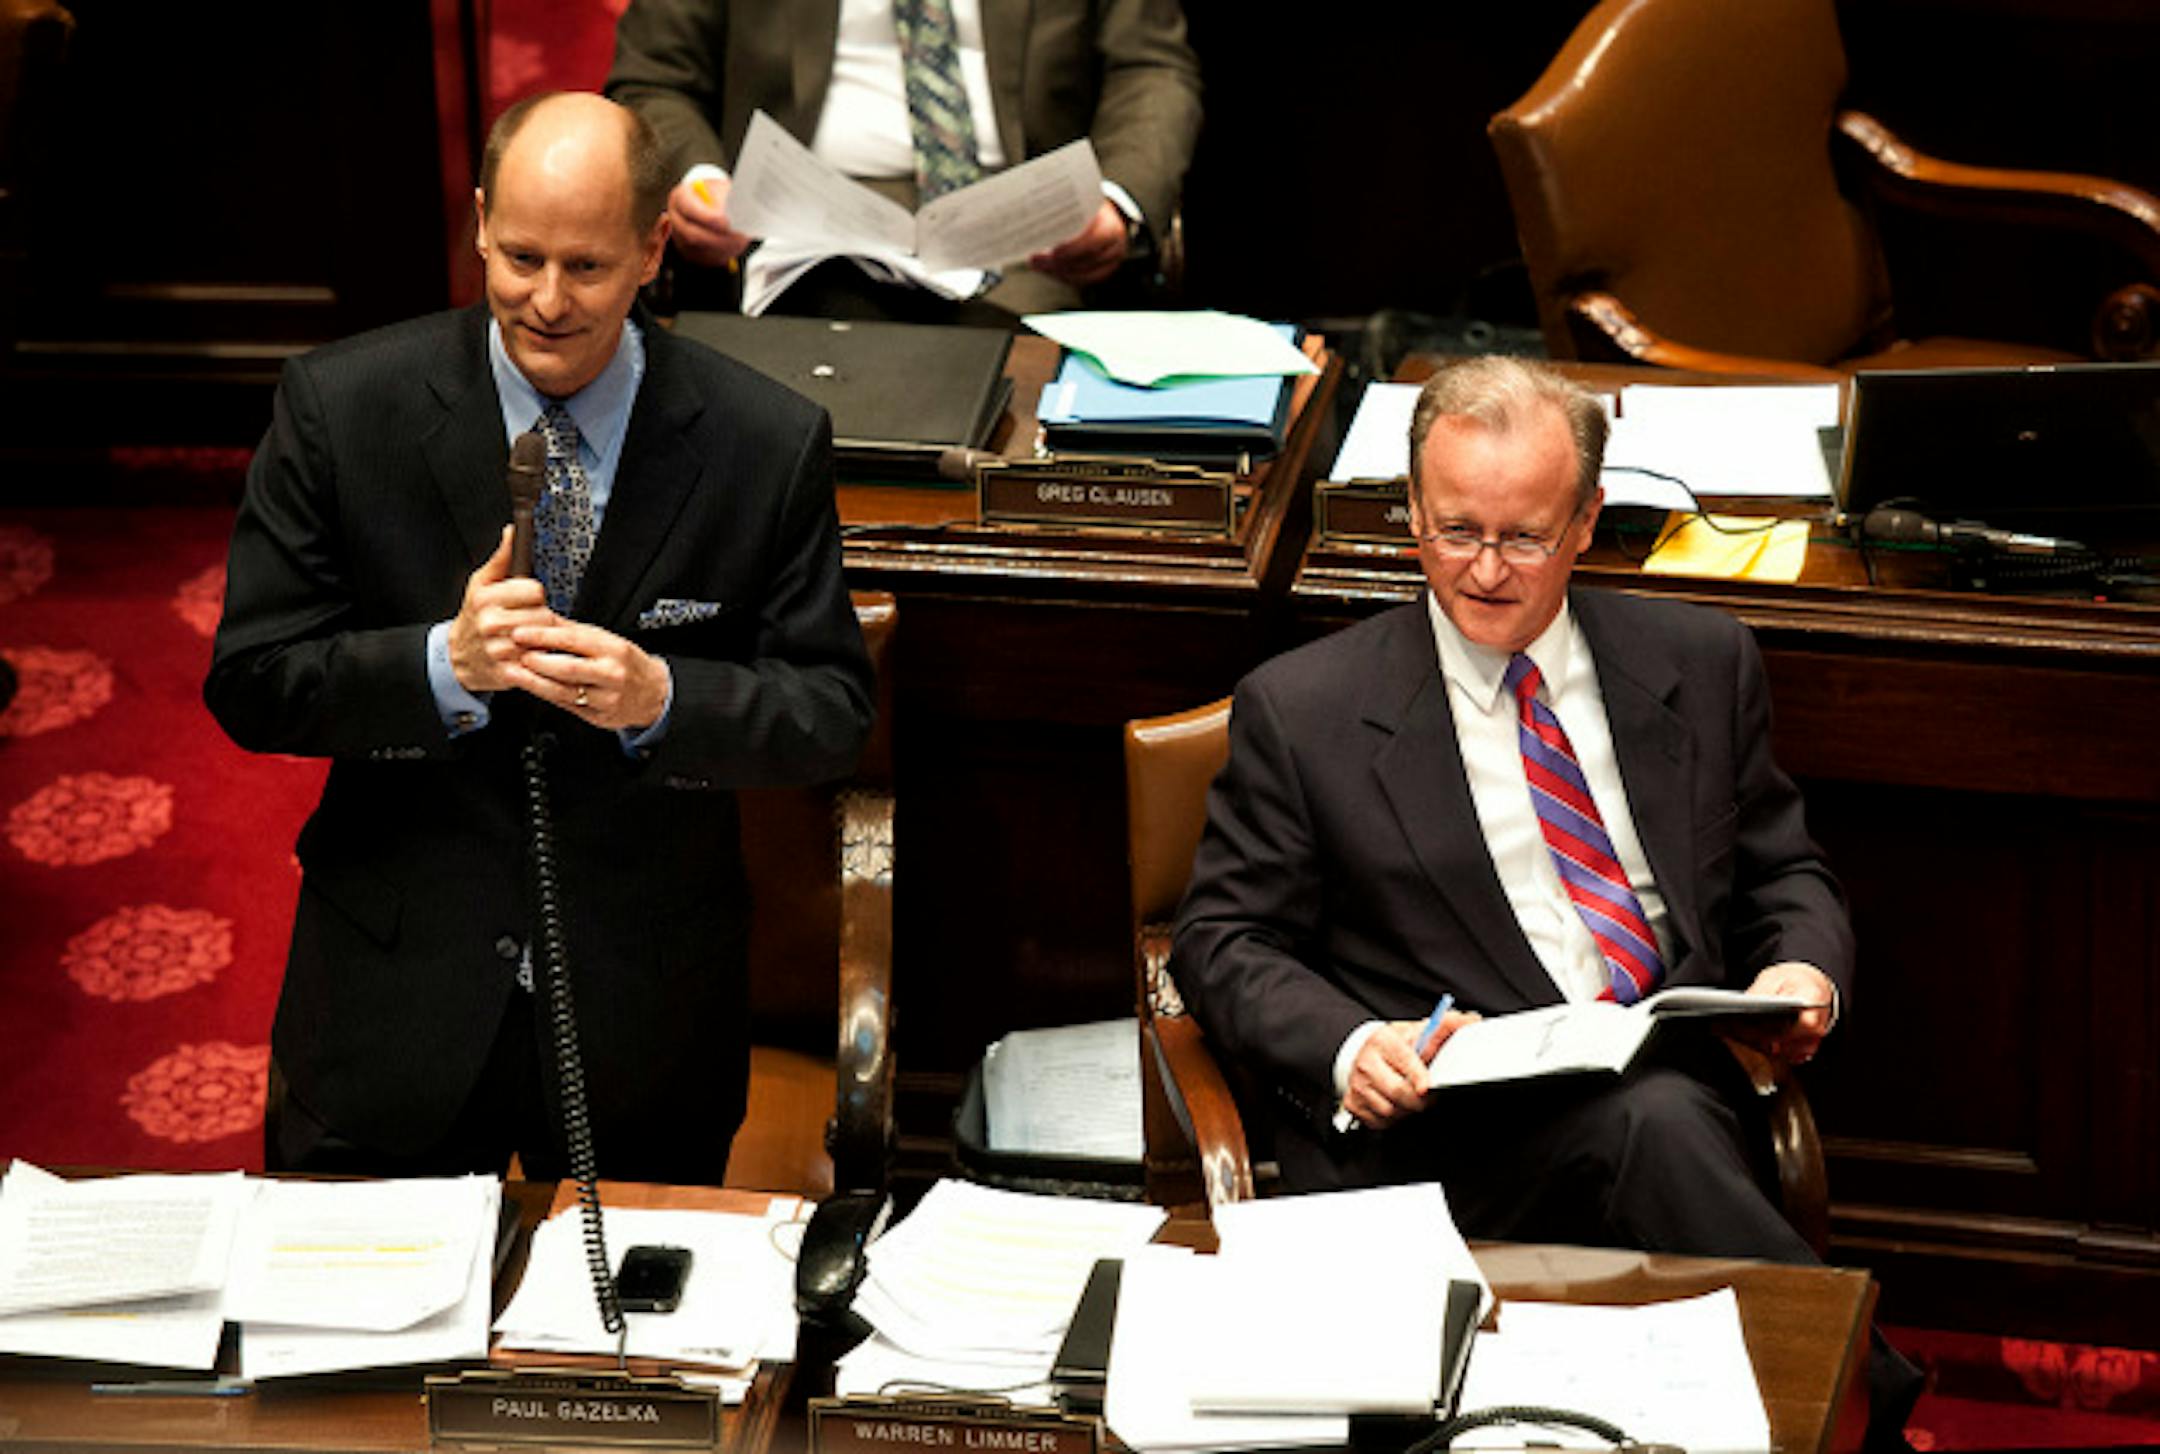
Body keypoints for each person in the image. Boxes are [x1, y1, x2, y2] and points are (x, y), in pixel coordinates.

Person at [1173, 356, 1918, 1445]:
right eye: (1451, 529)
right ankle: (1868, 1399)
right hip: (1450, 1136)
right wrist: (1347, 1043)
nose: (1481, 569)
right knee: (1648, 1126)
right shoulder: (1306, 711)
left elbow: (1783, 870)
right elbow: (1221, 938)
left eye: (1521, 536)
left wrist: (1802, 970)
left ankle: (1840, 1399)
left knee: (1654, 1112)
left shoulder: (1700, 661)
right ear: (1413, 511)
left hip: (1673, 1076)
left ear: (1584, 522)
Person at [204, 91, 874, 1186]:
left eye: (588, 267)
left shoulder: (766, 440)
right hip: (395, 1002)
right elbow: (252, 680)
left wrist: (664, 696)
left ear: (656, 249)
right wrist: (441, 665)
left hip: (643, 1013)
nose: (548, 302)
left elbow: (831, 714)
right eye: (519, 258)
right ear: (476, 223)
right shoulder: (340, 408)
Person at [603, 0, 1202, 322]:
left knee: (1007, 355)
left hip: (1023, 232)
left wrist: (1116, 202)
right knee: (813, 353)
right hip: (795, 227)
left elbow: (1149, 68)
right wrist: (702, 184)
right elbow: (655, 79)